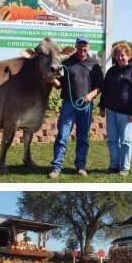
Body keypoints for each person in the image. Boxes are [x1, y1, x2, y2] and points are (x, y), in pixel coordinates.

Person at [49, 37, 103, 179]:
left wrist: (90, 96)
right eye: (80, 46)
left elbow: (100, 86)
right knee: (62, 136)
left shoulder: (94, 65)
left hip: (85, 105)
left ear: (89, 47)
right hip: (68, 105)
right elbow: (59, 84)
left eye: (85, 46)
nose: (82, 49)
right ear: (76, 47)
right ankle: (56, 167)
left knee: (83, 137)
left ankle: (80, 166)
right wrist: (51, 79)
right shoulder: (67, 63)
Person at [99, 42, 132, 177]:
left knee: (125, 141)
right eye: (117, 55)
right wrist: (102, 106)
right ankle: (114, 165)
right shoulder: (111, 71)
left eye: (122, 55)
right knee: (112, 139)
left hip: (125, 113)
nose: (120, 58)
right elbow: (105, 90)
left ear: (128, 55)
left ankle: (124, 167)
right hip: (111, 111)